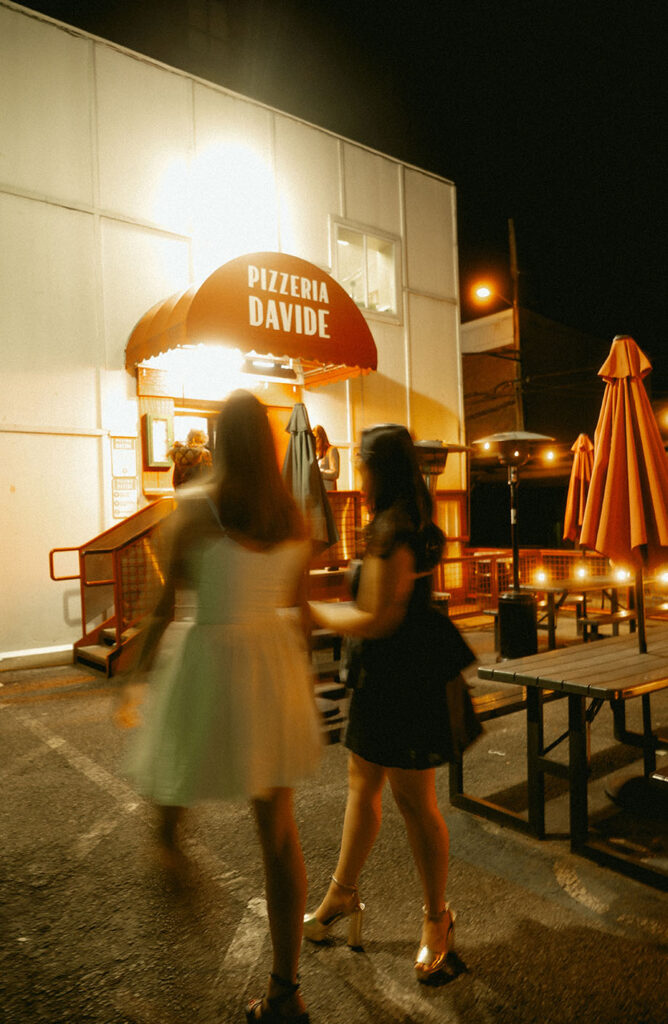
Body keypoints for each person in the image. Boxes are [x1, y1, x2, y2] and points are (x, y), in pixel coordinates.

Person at [122, 391, 320, 1023]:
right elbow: (300, 612)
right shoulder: (293, 517)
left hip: (207, 659)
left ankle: (170, 844)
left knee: (177, 759)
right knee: (279, 834)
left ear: (221, 442)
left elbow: (164, 604)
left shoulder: (196, 508)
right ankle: (286, 990)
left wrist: (135, 675)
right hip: (272, 665)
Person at [306, 424, 466, 982]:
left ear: (378, 467)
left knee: (414, 803)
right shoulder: (408, 521)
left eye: (360, 461)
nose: (356, 470)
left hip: (402, 679)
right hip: (391, 674)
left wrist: (311, 612)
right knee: (363, 784)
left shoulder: (394, 529)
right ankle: (341, 894)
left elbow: (378, 616)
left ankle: (437, 920)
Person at [313, 425, 339, 491]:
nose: (314, 440)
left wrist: (319, 473)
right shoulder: (315, 453)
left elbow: (335, 473)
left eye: (316, 437)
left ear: (322, 437)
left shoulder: (331, 450)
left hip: (328, 491)